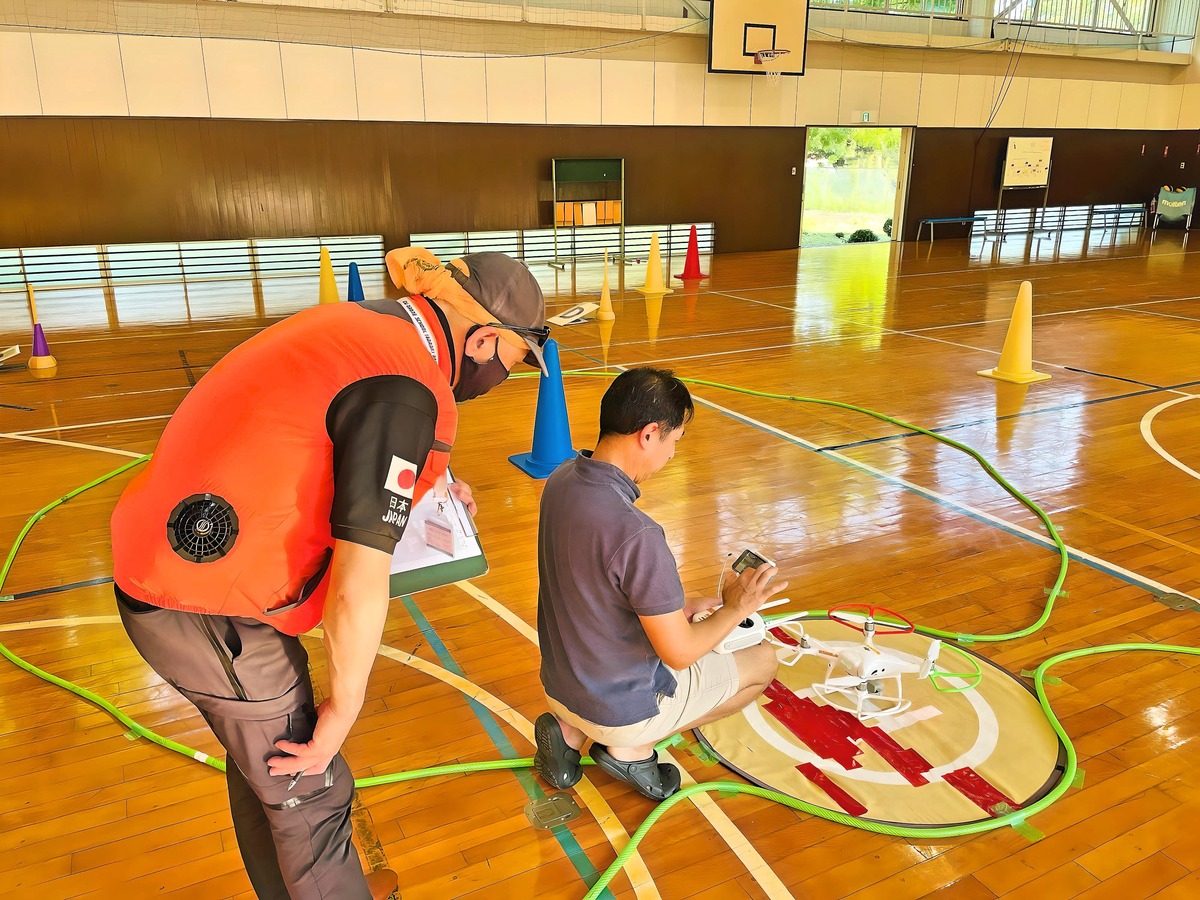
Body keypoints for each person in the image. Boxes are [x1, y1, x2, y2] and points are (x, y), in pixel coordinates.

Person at [109, 247, 548, 900]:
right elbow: (358, 577)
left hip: (180, 561)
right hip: (201, 602)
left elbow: (318, 438)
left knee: (267, 774)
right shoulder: (408, 386)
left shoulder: (371, 325)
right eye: (510, 365)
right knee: (309, 790)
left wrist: (426, 490)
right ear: (482, 339)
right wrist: (345, 706)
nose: (499, 382)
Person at [533, 368, 788, 800]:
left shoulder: (560, 481)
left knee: (698, 630)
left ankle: (568, 732)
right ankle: (632, 748)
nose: (672, 454)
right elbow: (680, 652)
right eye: (675, 441)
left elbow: (594, 588)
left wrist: (680, 606)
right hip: (619, 708)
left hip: (559, 686)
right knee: (763, 662)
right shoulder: (638, 534)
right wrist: (735, 609)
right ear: (650, 434)